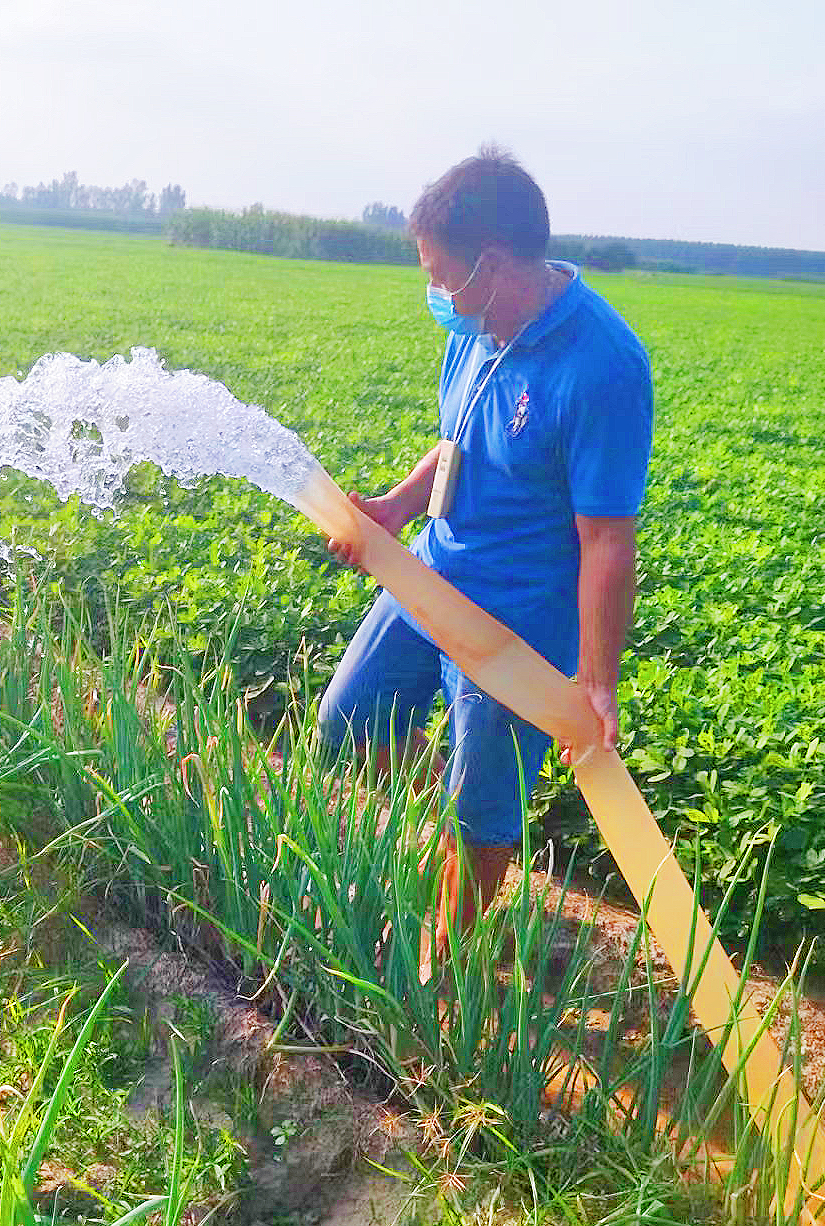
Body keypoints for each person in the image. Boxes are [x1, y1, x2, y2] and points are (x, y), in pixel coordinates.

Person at [316, 146, 652, 949]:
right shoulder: (476, 325)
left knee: (482, 805)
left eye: (439, 272)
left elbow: (607, 541)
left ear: (494, 263)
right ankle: (459, 821)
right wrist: (398, 506)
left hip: (516, 621)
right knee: (348, 722)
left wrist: (596, 683)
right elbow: (458, 437)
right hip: (432, 569)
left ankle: (449, 952)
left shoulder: (603, 367)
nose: (434, 290)